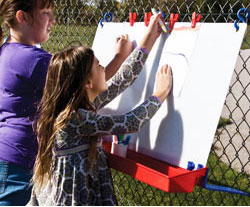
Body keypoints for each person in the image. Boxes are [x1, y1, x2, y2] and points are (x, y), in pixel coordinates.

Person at [28, 12, 172, 206]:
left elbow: (123, 78)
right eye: (98, 65)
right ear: (88, 82)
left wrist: (150, 38)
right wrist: (159, 94)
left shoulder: (80, 104)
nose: (104, 68)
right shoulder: (75, 118)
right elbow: (131, 122)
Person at [0, 0, 133, 205]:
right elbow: (87, 86)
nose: (53, 20)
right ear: (22, 17)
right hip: (20, 164)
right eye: (45, 13)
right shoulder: (33, 60)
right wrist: (120, 57)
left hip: (11, 157)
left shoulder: (8, 50)